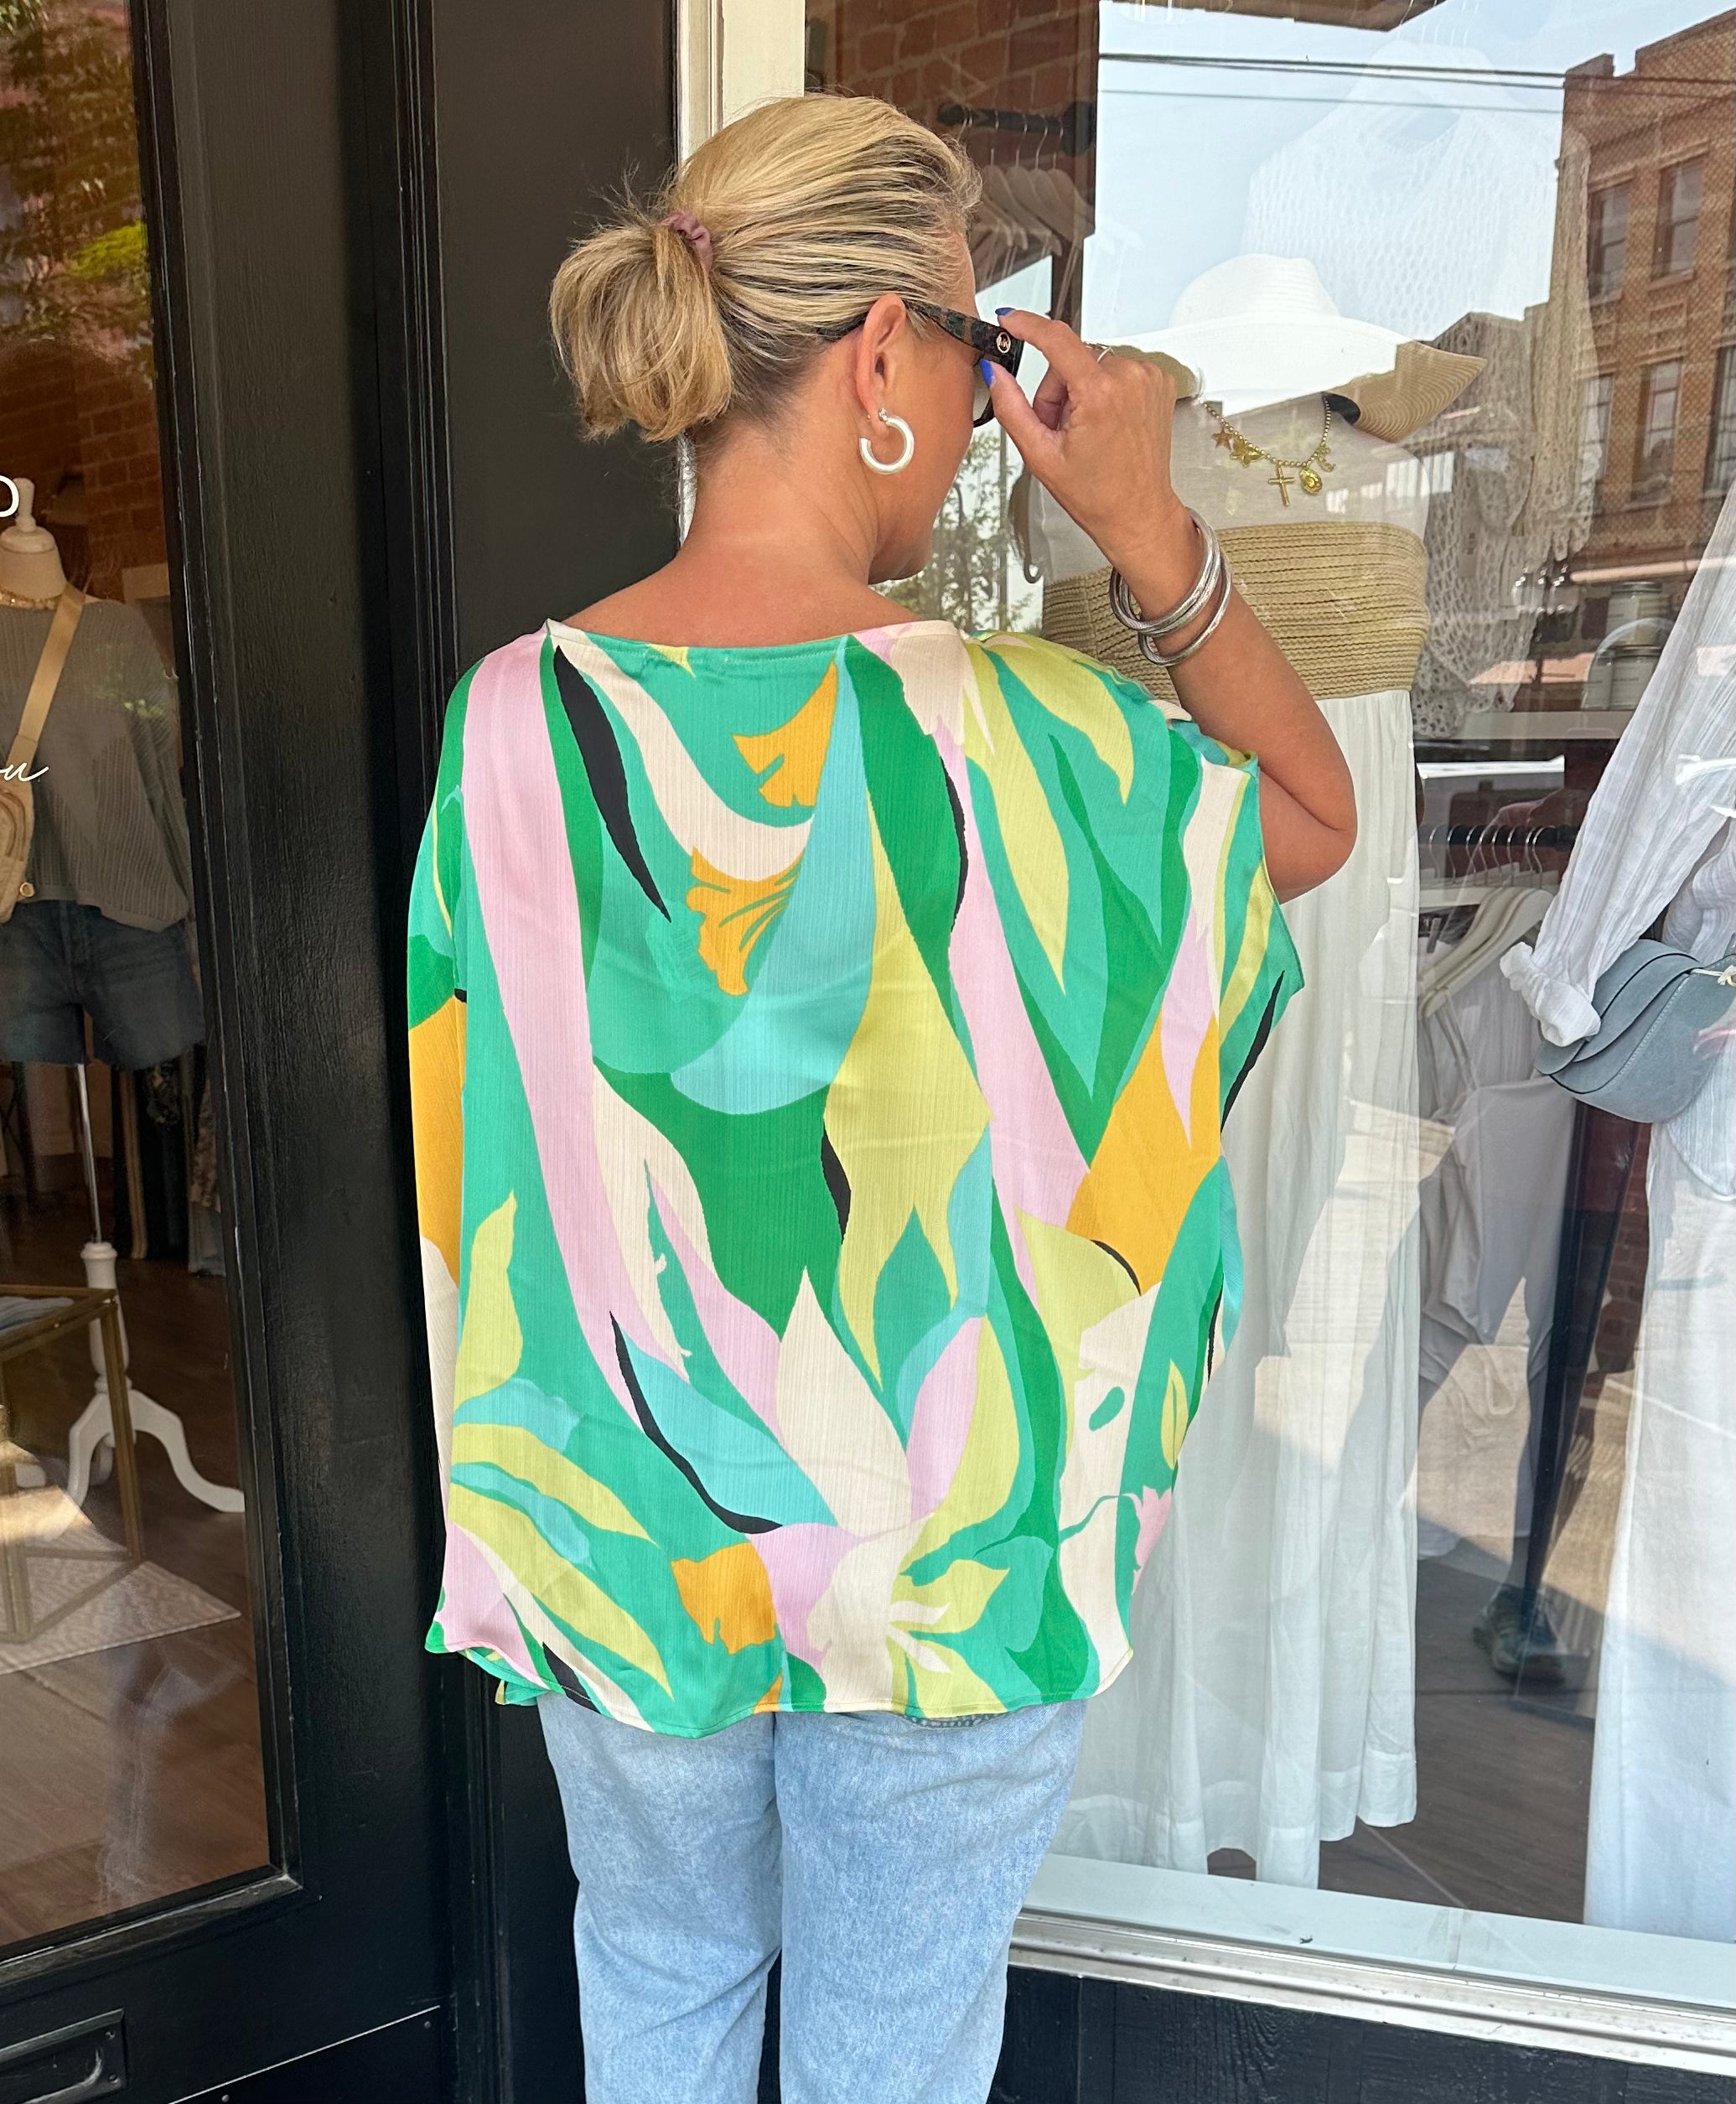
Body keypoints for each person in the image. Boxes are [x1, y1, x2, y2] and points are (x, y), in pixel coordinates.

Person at [405, 93, 1355, 2104]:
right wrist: (1144, 525)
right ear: (877, 359)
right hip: (949, 1542)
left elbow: (481, 1142)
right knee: (892, 2051)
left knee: (656, 1976)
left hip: (619, 1520)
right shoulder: (1041, 734)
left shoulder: (508, 725)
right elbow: (1306, 811)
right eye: (975, 335)